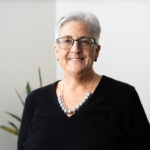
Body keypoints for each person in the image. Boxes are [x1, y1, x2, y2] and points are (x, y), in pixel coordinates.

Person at [18, 11, 150, 150]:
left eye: (84, 41)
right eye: (67, 41)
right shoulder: (35, 100)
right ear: (56, 50)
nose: (75, 49)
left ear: (96, 51)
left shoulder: (124, 97)